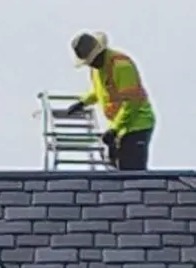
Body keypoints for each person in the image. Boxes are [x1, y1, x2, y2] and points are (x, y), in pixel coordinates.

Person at [66, 31, 155, 170]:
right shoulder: (96, 69)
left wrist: (114, 129)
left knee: (132, 171)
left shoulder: (121, 66)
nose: (91, 65)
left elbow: (132, 102)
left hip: (137, 124)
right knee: (116, 170)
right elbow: (100, 91)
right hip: (119, 127)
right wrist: (83, 102)